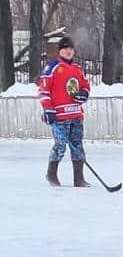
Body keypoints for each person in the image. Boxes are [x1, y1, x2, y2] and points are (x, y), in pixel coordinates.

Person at [37, 35, 92, 187]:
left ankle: (79, 178)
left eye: (71, 48)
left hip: (76, 114)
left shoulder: (78, 69)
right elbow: (43, 91)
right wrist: (48, 109)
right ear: (59, 51)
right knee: (60, 145)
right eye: (65, 48)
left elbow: (86, 86)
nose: (68, 51)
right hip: (59, 116)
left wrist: (84, 94)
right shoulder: (52, 68)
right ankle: (51, 173)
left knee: (77, 146)